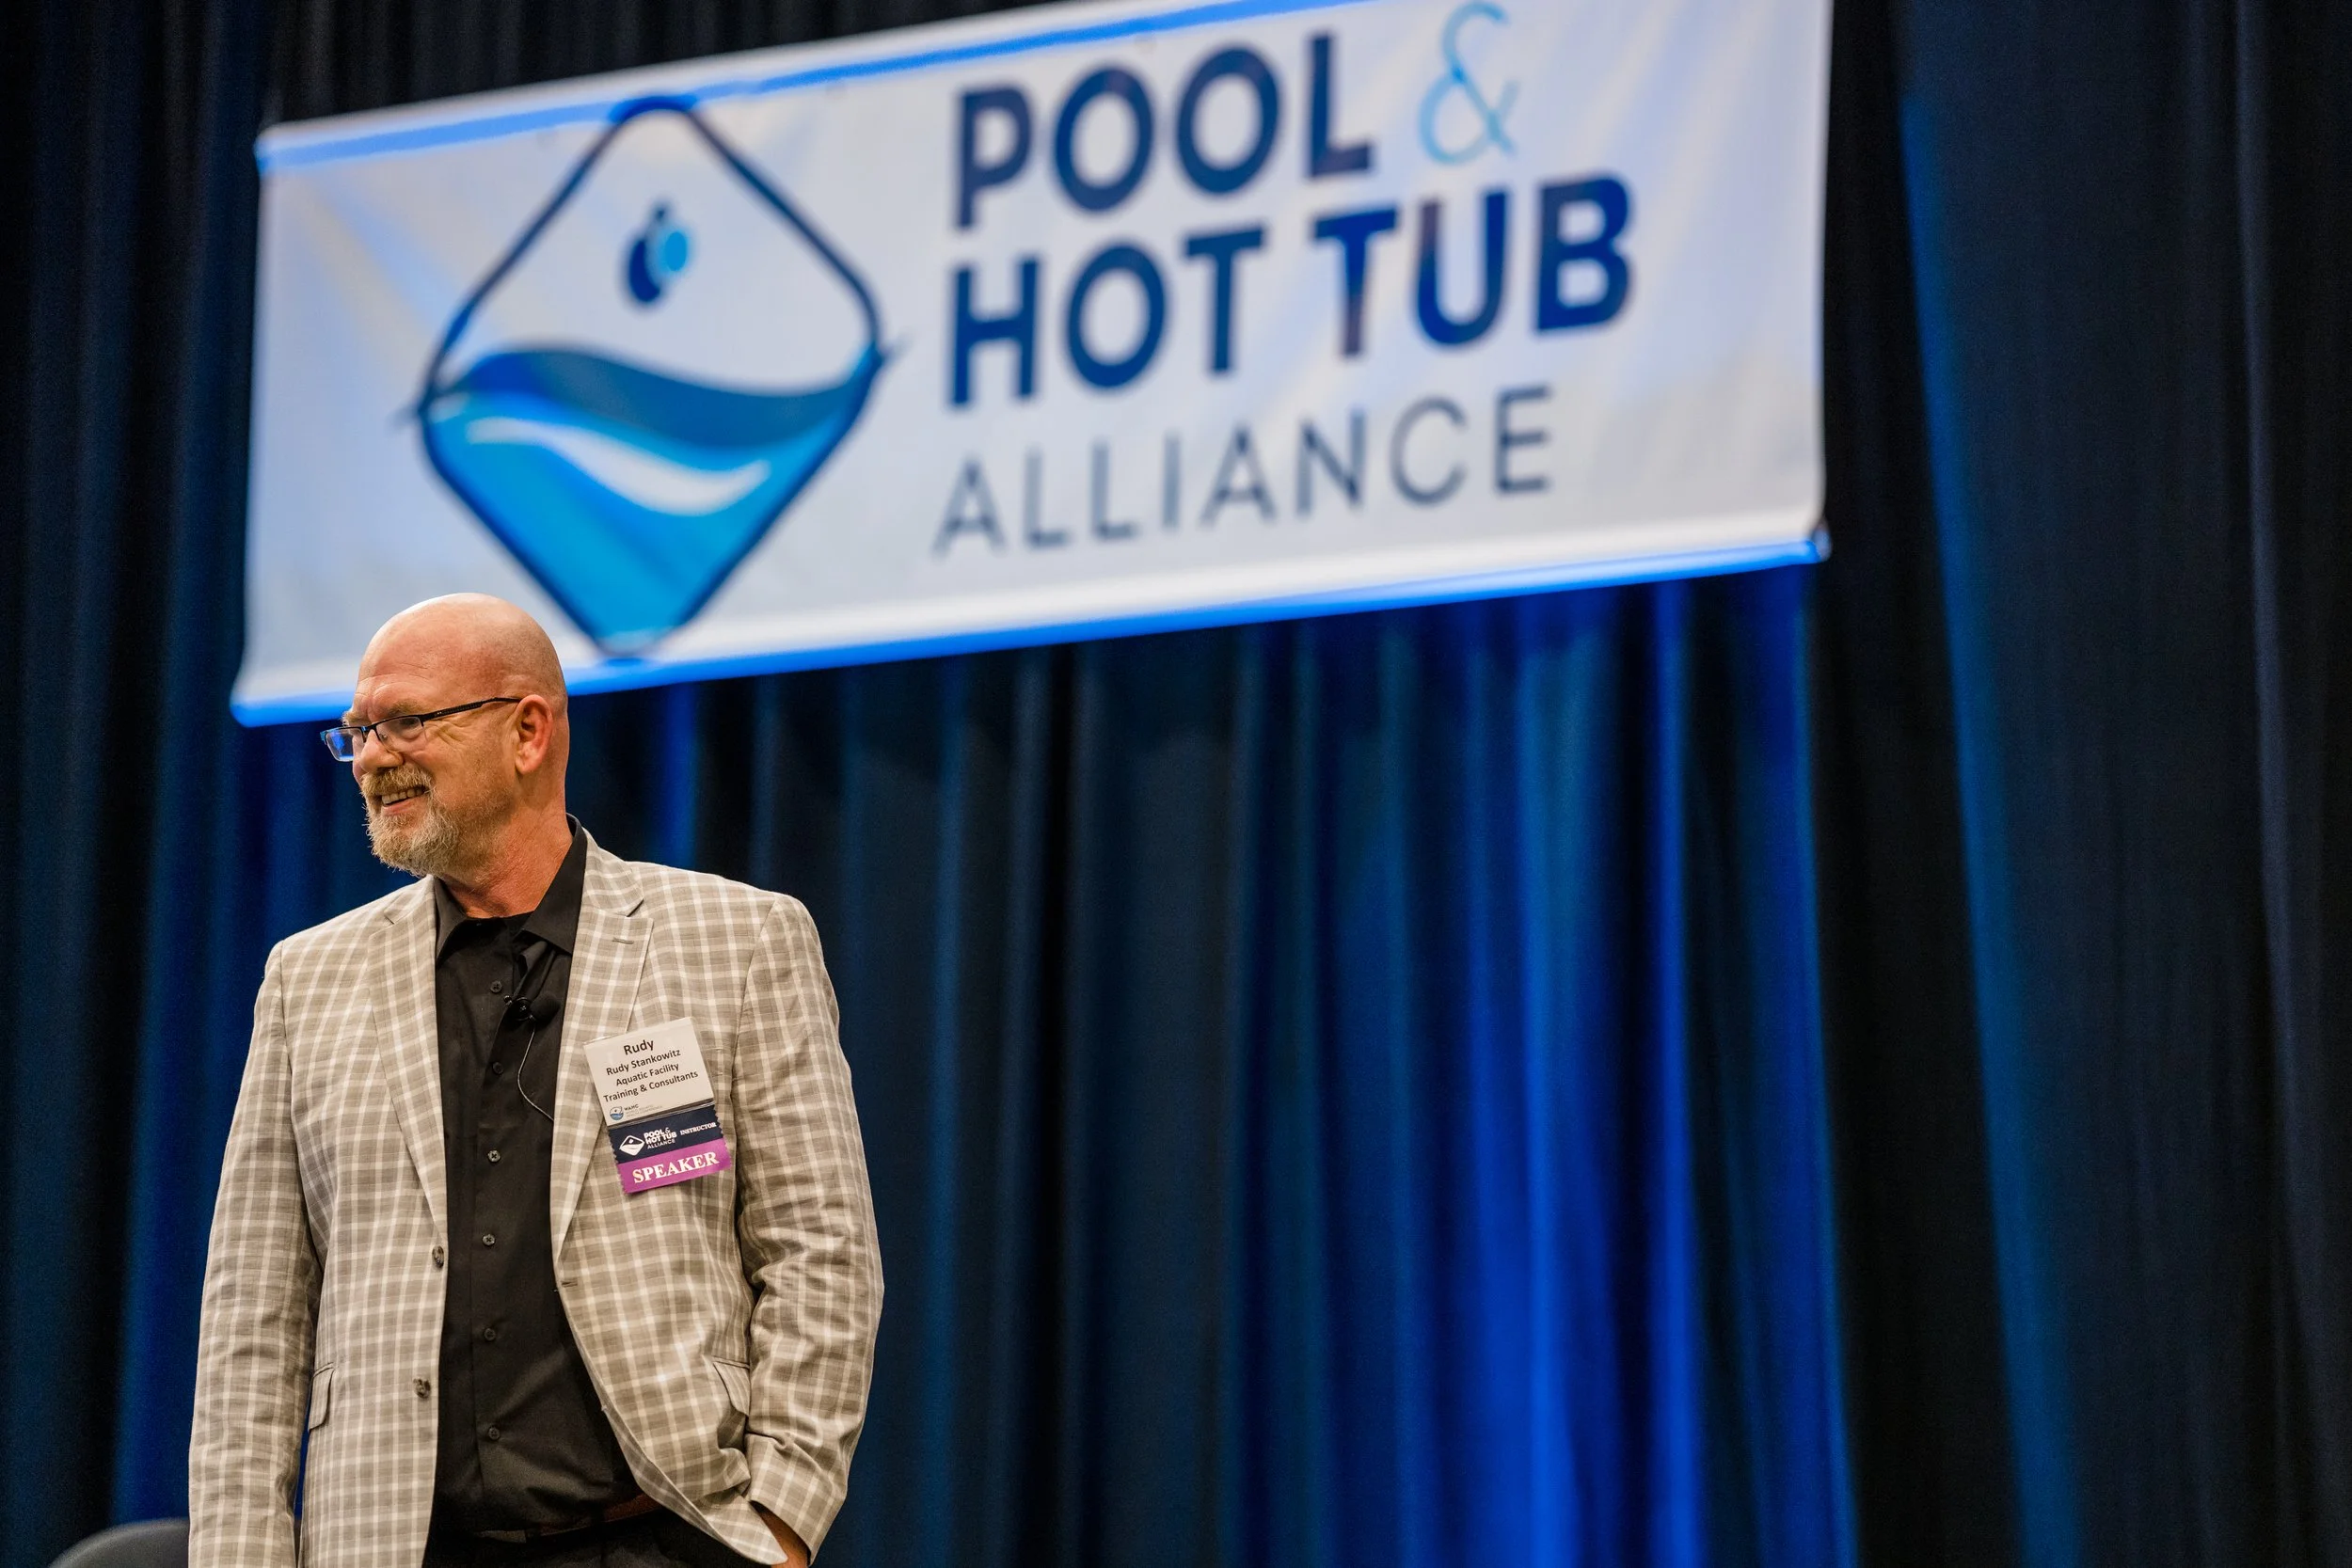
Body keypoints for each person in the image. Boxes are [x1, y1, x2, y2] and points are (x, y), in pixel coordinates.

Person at [190, 595, 882, 1568]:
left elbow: (821, 1247)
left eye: (408, 721)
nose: (375, 755)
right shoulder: (310, 978)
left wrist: (782, 1514)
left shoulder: (738, 940)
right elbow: (250, 1320)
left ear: (527, 730)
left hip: (659, 1534)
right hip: (393, 1539)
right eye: (358, 731)